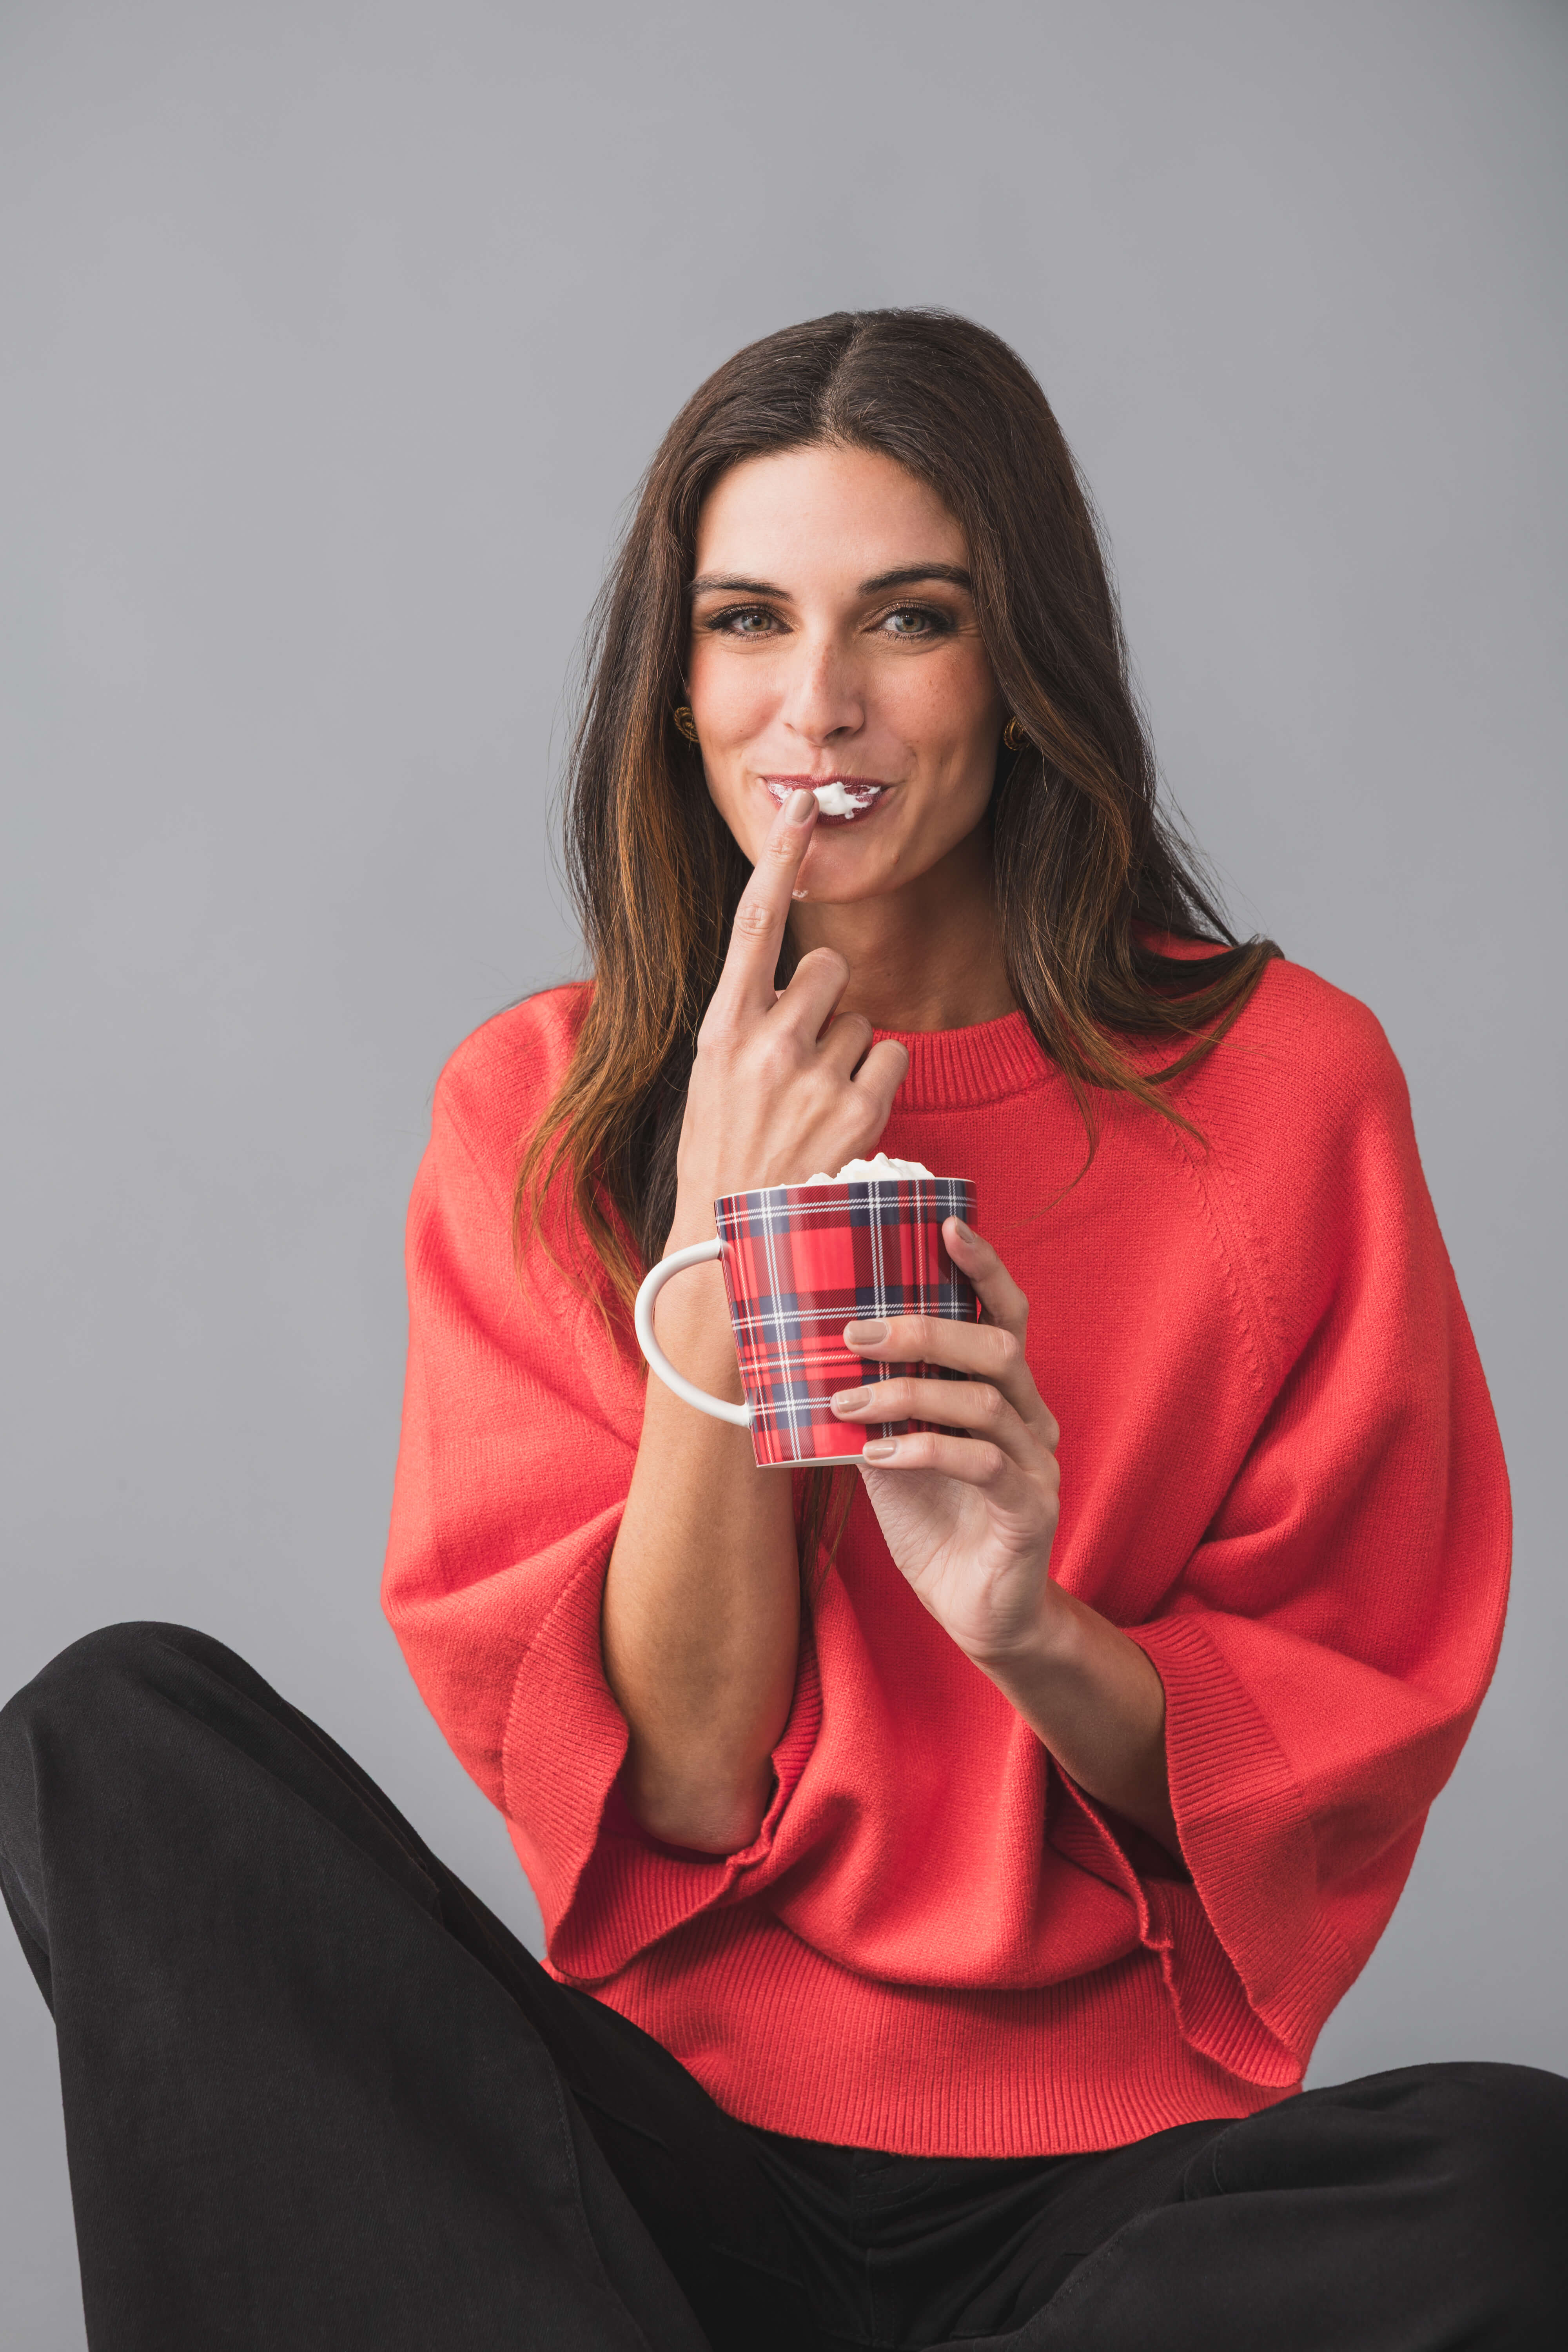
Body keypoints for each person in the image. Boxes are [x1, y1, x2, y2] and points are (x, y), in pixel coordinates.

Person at [2, 308, 1563, 2350]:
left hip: (1109, 2202)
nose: (817, 705)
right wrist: (720, 1274)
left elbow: (1317, 1765)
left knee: (1516, 2177)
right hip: (664, 2184)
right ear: (675, 687)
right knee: (111, 1738)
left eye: (909, 618)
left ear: (1023, 675)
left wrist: (1028, 1623)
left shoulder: (1284, 1090)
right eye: (748, 621)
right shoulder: (536, 1108)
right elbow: (676, 1791)